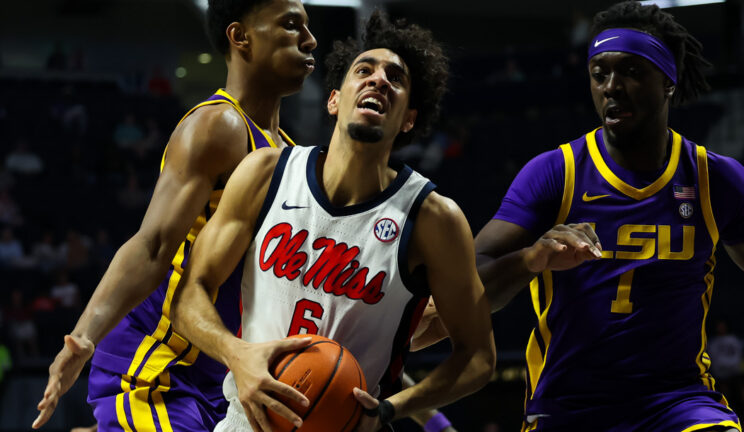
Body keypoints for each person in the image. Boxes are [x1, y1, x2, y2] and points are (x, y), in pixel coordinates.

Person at [415, 2, 744, 431]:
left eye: (630, 71)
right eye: (599, 73)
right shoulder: (556, 172)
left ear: (667, 80)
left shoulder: (713, 178)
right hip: (569, 406)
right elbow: (469, 282)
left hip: (677, 400)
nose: (612, 86)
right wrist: (531, 258)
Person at [170, 11, 496, 432]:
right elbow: (188, 296)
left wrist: (391, 408)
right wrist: (236, 354)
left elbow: (478, 356)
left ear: (409, 119)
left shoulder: (434, 219)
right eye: (364, 70)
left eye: (395, 78)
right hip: (247, 422)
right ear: (334, 99)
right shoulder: (265, 173)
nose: (379, 80)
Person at [32, 0, 317, 430]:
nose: (310, 40)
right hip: (157, 360)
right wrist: (83, 338)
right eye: (291, 25)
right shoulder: (218, 126)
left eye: (308, 28)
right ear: (240, 37)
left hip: (219, 373)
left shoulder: (290, 154)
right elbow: (151, 246)